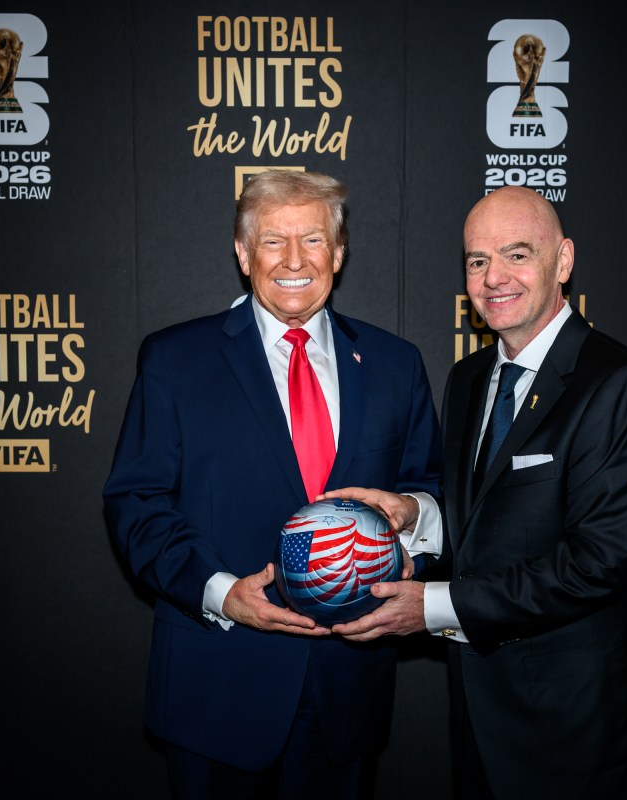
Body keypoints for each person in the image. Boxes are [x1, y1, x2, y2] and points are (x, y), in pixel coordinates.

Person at [102, 170, 443, 799]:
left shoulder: (396, 364)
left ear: (339, 254)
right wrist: (221, 592)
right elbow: (136, 503)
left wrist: (412, 514)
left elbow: (431, 492)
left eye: (312, 240)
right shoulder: (175, 360)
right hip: (217, 687)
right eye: (272, 241)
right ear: (241, 252)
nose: (294, 261)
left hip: (347, 689)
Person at [324, 185, 627, 798]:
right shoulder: (469, 378)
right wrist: (417, 515)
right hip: (479, 714)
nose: (493, 278)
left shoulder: (614, 383)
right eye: (478, 261)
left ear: (562, 261)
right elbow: (479, 523)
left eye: (517, 254)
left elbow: (599, 562)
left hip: (571, 727)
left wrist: (429, 607)